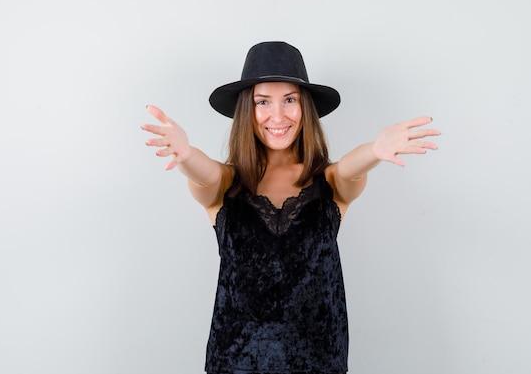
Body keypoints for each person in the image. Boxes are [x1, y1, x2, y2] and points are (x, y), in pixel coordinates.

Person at [141, 41, 440, 374]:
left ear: (305, 107)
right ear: (246, 110)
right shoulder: (226, 184)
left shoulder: (329, 183)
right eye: (263, 102)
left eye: (290, 101)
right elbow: (204, 174)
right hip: (235, 362)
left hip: (319, 362)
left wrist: (374, 151)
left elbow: (346, 170)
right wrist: (186, 154)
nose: (278, 116)